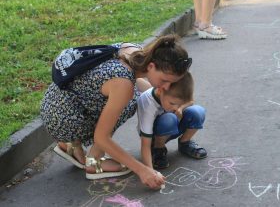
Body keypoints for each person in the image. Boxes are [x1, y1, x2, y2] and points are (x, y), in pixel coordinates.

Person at [40, 34, 192, 189]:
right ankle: (93, 162)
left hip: (56, 104)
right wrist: (143, 170)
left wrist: (167, 100)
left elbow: (137, 84)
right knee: (130, 102)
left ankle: (71, 145)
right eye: (165, 81)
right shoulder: (123, 83)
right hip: (63, 119)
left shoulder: (134, 52)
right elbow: (101, 138)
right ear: (151, 67)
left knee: (130, 96)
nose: (166, 87)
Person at [137, 72, 207, 170]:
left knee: (197, 111)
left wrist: (181, 108)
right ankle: (158, 150)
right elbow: (144, 143)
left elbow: (190, 101)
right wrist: (149, 171)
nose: (175, 107)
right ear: (160, 91)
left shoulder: (171, 96)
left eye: (179, 104)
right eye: (172, 103)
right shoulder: (147, 102)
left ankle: (185, 143)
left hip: (173, 126)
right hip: (153, 136)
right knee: (169, 118)